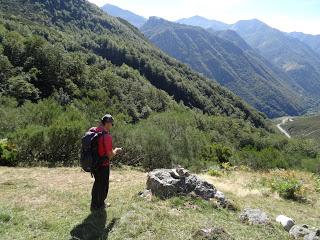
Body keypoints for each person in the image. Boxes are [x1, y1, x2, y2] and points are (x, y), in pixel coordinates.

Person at [89, 114, 122, 211]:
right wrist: (116, 150)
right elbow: (110, 155)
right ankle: (100, 205)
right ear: (107, 123)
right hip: (103, 165)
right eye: (112, 124)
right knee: (103, 186)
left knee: (97, 183)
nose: (112, 126)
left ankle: (94, 204)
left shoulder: (93, 130)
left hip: (94, 163)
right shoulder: (107, 136)